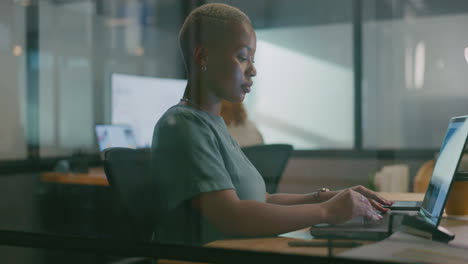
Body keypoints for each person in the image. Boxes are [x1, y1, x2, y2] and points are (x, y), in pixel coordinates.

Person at [151, 3, 392, 245]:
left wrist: (325, 199)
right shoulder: (183, 126)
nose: (253, 70)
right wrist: (327, 212)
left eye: (252, 59)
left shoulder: (212, 123)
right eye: (243, 57)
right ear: (203, 56)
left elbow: (260, 200)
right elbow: (231, 216)